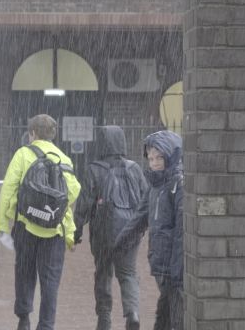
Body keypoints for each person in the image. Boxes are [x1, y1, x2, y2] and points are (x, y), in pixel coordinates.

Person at [0, 114, 81, 330]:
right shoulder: (64, 159)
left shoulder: (23, 154)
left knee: (24, 273)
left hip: (26, 227)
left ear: (32, 133)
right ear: (53, 135)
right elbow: (70, 196)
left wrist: (3, 226)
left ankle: (24, 319)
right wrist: (68, 233)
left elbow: (8, 190)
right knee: (50, 281)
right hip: (55, 232)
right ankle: (46, 325)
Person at [73, 126, 149, 330]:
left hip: (103, 232)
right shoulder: (134, 168)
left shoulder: (94, 169)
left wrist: (76, 230)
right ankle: (132, 312)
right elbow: (146, 200)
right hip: (130, 232)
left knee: (103, 273)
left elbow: (84, 205)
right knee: (128, 274)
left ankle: (104, 317)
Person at [115, 130, 184, 330]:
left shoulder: (178, 184)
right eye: (150, 158)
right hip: (160, 263)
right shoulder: (154, 185)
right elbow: (139, 217)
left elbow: (181, 231)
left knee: (176, 317)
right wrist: (119, 244)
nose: (153, 163)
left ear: (171, 156)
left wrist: (177, 269)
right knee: (168, 313)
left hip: (173, 266)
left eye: (159, 157)